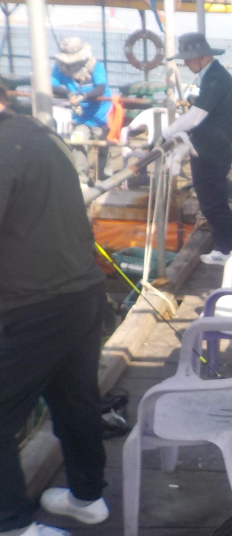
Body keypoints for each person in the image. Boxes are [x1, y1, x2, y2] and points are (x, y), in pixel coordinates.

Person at [0, 85, 110, 536]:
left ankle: (12, 525)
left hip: (32, 307)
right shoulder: (40, 133)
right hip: (83, 293)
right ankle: (88, 497)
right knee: (75, 400)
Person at [162, 32, 232, 265]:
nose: (185, 63)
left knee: (212, 205)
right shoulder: (213, 75)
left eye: (188, 59)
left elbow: (195, 117)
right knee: (214, 202)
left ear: (201, 57)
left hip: (211, 152)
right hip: (213, 149)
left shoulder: (214, 79)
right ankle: (224, 248)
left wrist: (166, 134)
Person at [51, 37, 113, 185]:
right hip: (80, 116)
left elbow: (100, 87)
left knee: (103, 145)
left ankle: (105, 178)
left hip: (101, 114)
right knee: (78, 144)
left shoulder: (96, 66)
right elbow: (52, 83)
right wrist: (67, 93)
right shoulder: (59, 67)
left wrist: (83, 97)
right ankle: (81, 179)